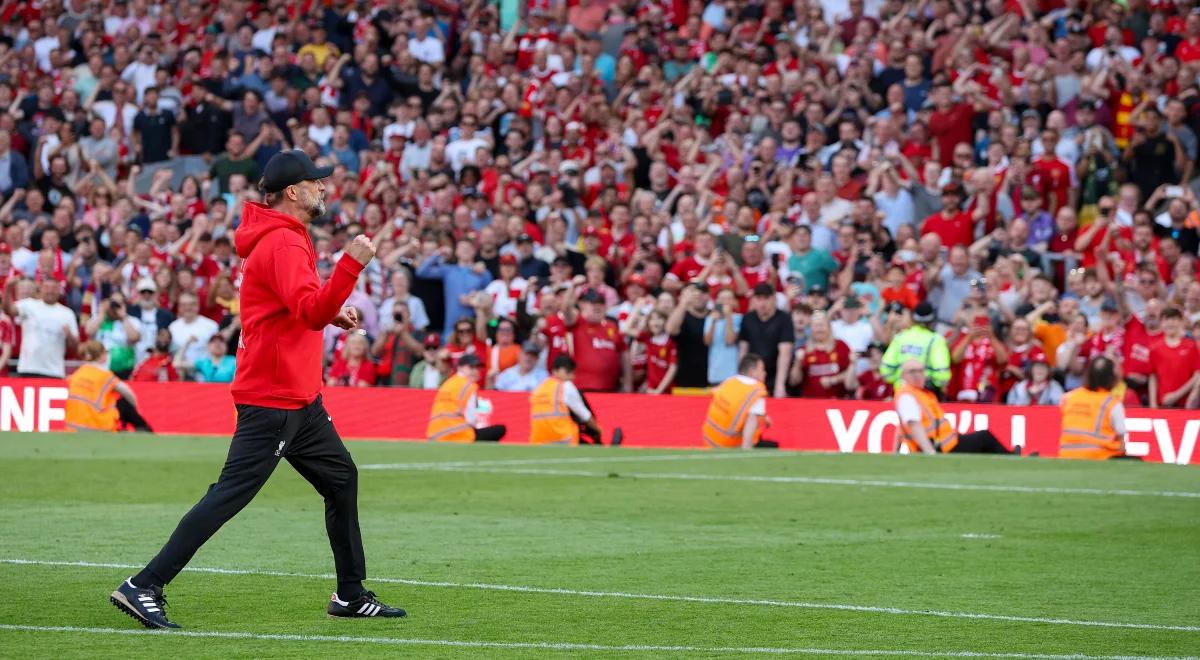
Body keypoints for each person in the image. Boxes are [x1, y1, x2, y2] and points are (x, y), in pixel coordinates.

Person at [112, 150, 405, 629]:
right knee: (229, 495)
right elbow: (307, 310)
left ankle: (350, 594)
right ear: (294, 191)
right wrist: (350, 268)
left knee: (342, 479)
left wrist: (331, 311)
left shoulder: (281, 238)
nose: (325, 188)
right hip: (273, 400)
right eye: (317, 182)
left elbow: (292, 306)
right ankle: (144, 585)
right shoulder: (285, 243)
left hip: (300, 399)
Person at [894, 359, 1013, 454]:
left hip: (946, 442)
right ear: (903, 375)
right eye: (913, 371)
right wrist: (929, 452)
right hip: (940, 447)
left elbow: (901, 429)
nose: (918, 375)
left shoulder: (917, 393)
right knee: (985, 438)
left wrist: (895, 453)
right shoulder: (908, 396)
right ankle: (1012, 460)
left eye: (920, 371)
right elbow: (914, 426)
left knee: (983, 440)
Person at [65, 340, 153, 432]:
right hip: (96, 426)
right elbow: (128, 392)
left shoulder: (78, 373)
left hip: (72, 427)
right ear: (102, 355)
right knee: (124, 403)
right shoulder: (105, 376)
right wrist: (136, 409)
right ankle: (144, 431)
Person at [1059, 356, 1135, 459]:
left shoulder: (1068, 398)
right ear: (1112, 378)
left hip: (1066, 455)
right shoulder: (1112, 403)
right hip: (1101, 456)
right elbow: (1122, 440)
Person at [702, 353, 778, 449]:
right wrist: (746, 450)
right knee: (772, 447)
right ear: (752, 372)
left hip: (710, 439)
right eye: (762, 370)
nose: (765, 373)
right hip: (729, 444)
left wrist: (763, 415)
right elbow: (751, 420)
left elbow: (736, 405)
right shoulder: (756, 391)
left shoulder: (730, 381)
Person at [425, 353, 506, 442]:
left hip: (435, 435)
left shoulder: (447, 384)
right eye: (471, 367)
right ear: (459, 368)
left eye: (477, 368)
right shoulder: (469, 386)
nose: (475, 371)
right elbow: (471, 420)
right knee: (500, 429)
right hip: (459, 434)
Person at [8, 278, 78, 378]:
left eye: (54, 288)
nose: (50, 291)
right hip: (28, 368)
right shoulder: (29, 305)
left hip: (54, 371)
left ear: (59, 290)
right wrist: (8, 289)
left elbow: (75, 346)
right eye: (46, 287)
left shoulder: (67, 313)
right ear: (40, 289)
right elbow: (9, 310)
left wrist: (69, 335)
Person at [529, 355, 602, 445]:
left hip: (539, 442)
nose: (572, 377)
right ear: (557, 371)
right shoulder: (566, 386)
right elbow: (585, 415)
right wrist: (599, 431)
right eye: (570, 373)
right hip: (564, 440)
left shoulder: (539, 389)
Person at [880, 301, 951, 395]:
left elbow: (886, 369)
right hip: (926, 393)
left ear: (914, 318)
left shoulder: (900, 337)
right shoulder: (936, 340)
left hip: (902, 392)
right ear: (932, 320)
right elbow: (942, 374)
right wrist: (931, 382)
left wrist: (902, 379)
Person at [738, 282, 794, 398]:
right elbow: (743, 351)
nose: (762, 303)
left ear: (774, 299)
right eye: (759, 299)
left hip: (776, 374)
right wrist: (742, 380)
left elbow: (785, 353)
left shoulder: (784, 319)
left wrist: (780, 385)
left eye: (766, 298)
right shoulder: (748, 318)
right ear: (754, 300)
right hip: (753, 375)